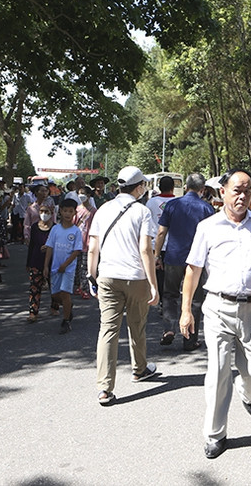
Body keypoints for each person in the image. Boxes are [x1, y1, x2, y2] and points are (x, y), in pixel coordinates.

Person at [179, 169, 251, 459]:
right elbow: (193, 270)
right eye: (237, 190)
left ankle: (247, 392)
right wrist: (186, 310)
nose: (242, 195)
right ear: (222, 191)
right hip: (217, 309)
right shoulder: (208, 227)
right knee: (218, 370)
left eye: (247, 190)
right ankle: (215, 434)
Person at [88, 166, 160, 406]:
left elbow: (92, 248)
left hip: (107, 276)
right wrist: (153, 284)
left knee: (108, 330)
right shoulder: (142, 211)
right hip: (135, 276)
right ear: (139, 187)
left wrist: (92, 276)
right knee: (137, 324)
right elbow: (145, 250)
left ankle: (104, 388)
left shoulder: (103, 209)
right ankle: (139, 369)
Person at [154, 173, 214, 351]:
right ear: (202, 189)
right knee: (195, 300)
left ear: (186, 187)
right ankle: (190, 339)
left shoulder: (172, 205)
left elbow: (161, 232)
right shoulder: (206, 208)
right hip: (197, 261)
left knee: (170, 294)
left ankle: (169, 328)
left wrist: (157, 255)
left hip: (174, 256)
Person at [44, 199, 83, 334]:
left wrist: (65, 265)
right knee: (55, 295)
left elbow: (76, 251)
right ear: (60, 211)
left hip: (68, 269)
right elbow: (49, 247)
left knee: (65, 293)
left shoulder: (76, 231)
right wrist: (46, 266)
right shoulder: (55, 229)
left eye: (70, 211)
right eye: (65, 210)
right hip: (55, 268)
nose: (67, 214)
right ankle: (68, 305)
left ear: (74, 213)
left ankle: (66, 321)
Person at [146, 176, 176, 305]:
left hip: (154, 244)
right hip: (172, 244)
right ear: (173, 187)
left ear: (159, 187)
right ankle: (168, 300)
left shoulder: (151, 202)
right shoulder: (177, 202)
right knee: (171, 275)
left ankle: (157, 297)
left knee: (157, 273)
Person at [26, 205, 56, 322]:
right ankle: (33, 312)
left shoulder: (55, 228)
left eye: (46, 211)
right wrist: (28, 262)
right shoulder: (34, 227)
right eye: (42, 211)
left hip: (52, 262)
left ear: (51, 213)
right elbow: (32, 245)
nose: (44, 214)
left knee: (54, 286)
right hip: (36, 260)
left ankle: (54, 306)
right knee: (34, 287)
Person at [73, 186, 96, 299]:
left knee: (85, 266)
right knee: (76, 266)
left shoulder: (93, 211)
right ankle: (77, 285)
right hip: (76, 242)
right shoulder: (76, 210)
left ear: (88, 195)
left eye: (83, 193)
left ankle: (85, 288)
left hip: (88, 242)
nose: (81, 195)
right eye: (79, 193)